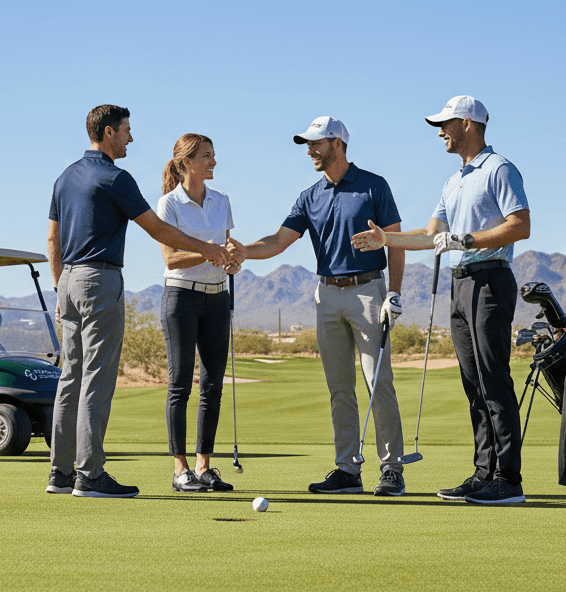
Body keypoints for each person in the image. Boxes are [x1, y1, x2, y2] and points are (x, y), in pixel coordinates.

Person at [351, 95, 530, 505]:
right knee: (473, 383)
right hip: (460, 281)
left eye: (445, 124)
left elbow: (520, 226)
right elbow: (431, 232)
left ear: (467, 124)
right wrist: (387, 239)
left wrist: (465, 239)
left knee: (493, 379)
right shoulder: (454, 180)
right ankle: (485, 472)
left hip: (490, 279)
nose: (440, 132)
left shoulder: (499, 168)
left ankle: (509, 479)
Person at [47, 104, 231, 498]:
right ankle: (90, 475)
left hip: (68, 281)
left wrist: (60, 287)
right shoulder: (116, 178)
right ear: (110, 132)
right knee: (96, 379)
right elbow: (157, 229)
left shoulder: (65, 178)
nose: (131, 137)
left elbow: (52, 240)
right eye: (127, 130)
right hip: (100, 280)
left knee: (70, 379)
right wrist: (207, 248)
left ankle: (60, 474)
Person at [228, 116, 408, 497]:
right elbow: (279, 240)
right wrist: (245, 251)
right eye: (308, 145)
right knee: (339, 388)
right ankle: (347, 470)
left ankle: (391, 469)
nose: (310, 150)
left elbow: (396, 241)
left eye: (316, 144)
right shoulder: (309, 195)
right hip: (326, 294)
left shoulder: (373, 186)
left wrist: (393, 291)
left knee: (378, 383)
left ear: (337, 144)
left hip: (368, 292)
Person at [155, 133, 241, 493]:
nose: (214, 162)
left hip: (217, 298)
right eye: (207, 156)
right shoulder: (168, 204)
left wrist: (232, 258)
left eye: (214, 155)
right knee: (180, 386)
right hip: (181, 298)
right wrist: (211, 251)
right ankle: (180, 470)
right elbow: (171, 258)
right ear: (186, 162)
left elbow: (228, 250)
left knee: (213, 386)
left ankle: (204, 467)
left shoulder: (222, 201)